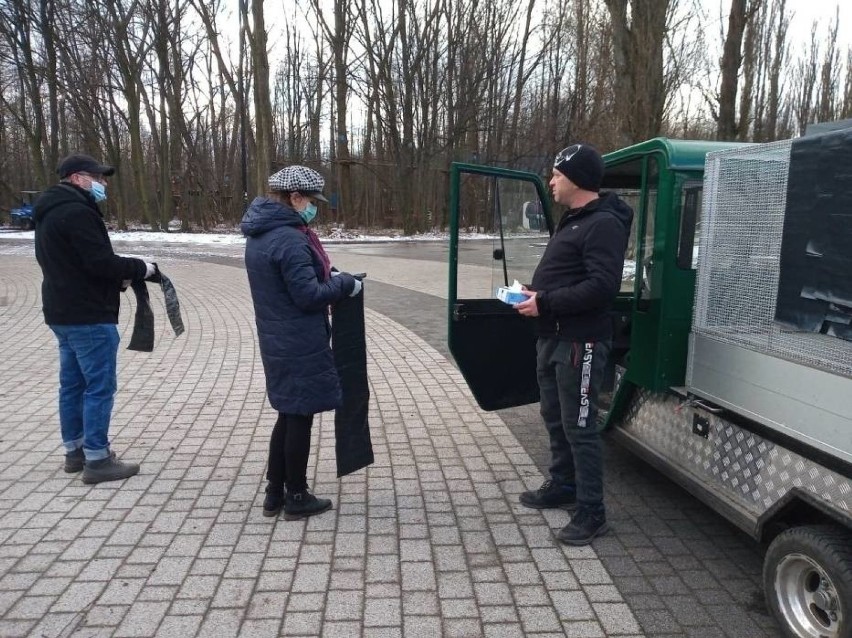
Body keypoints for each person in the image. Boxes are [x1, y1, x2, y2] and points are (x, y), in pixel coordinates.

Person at [515, 144, 633, 545]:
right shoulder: (575, 219)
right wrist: (536, 292)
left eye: (557, 175)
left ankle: (592, 512)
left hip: (579, 343)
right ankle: (563, 485)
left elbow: (602, 288)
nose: (550, 182)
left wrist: (544, 301)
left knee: (580, 427)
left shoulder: (604, 224)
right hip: (552, 336)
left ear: (577, 179)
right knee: (554, 416)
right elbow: (571, 276)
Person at [241, 165, 361, 520]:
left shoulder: (262, 233)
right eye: (310, 200)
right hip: (298, 338)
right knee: (300, 416)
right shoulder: (290, 238)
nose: (314, 207)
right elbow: (308, 295)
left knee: (289, 413)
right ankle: (296, 495)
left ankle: (274, 491)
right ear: (294, 198)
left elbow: (296, 281)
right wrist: (345, 284)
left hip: (277, 336)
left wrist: (330, 274)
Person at [34, 153, 157, 484]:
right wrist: (140, 269)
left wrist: (118, 276)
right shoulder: (77, 212)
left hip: (61, 311)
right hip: (88, 315)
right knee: (99, 387)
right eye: (97, 177)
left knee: (72, 385)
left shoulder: (50, 211)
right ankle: (97, 459)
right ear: (77, 178)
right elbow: (99, 262)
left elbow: (75, 264)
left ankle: (74, 452)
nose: (102, 184)